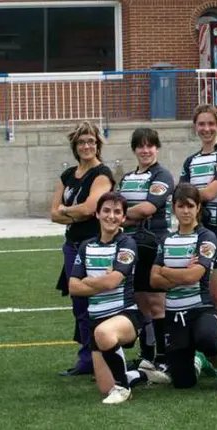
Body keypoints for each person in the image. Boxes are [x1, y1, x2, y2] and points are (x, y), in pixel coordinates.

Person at [149, 183, 217, 392]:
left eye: (190, 205)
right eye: (181, 206)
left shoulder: (206, 236)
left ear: (198, 207)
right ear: (174, 208)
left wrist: (166, 271)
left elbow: (195, 275)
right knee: (183, 383)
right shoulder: (167, 239)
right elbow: (153, 280)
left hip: (200, 309)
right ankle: (202, 362)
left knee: (207, 339)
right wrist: (182, 274)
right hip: (173, 315)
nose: (186, 211)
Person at [68, 192, 145, 404]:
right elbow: (73, 287)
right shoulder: (86, 246)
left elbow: (113, 282)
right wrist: (103, 278)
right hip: (97, 320)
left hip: (125, 316)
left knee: (104, 333)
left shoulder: (127, 243)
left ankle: (123, 388)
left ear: (123, 218)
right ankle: (142, 374)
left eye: (117, 212)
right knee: (104, 387)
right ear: (97, 214)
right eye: (106, 211)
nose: (111, 216)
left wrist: (90, 281)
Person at [51, 121, 115, 377]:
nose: (86, 146)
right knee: (78, 304)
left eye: (91, 141)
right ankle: (87, 359)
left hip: (95, 248)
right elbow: (53, 214)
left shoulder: (102, 174)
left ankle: (102, 356)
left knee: (96, 303)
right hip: (71, 246)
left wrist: (68, 211)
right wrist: (72, 214)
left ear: (97, 145)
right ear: (75, 147)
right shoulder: (67, 176)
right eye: (81, 142)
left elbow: (91, 208)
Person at [180, 104, 217, 367]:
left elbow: (211, 192)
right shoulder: (190, 160)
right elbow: (181, 196)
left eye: (211, 124)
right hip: (194, 232)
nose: (206, 129)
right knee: (198, 290)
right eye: (201, 124)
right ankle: (203, 344)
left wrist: (186, 198)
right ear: (195, 127)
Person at [117, 127, 174, 380]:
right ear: (134, 149)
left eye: (150, 145)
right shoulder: (127, 177)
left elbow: (148, 208)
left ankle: (164, 355)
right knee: (141, 302)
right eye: (140, 146)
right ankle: (147, 354)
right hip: (132, 245)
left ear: (157, 148)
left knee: (157, 303)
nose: (145, 150)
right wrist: (123, 217)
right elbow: (122, 210)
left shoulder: (162, 175)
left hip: (155, 244)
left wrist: (119, 216)